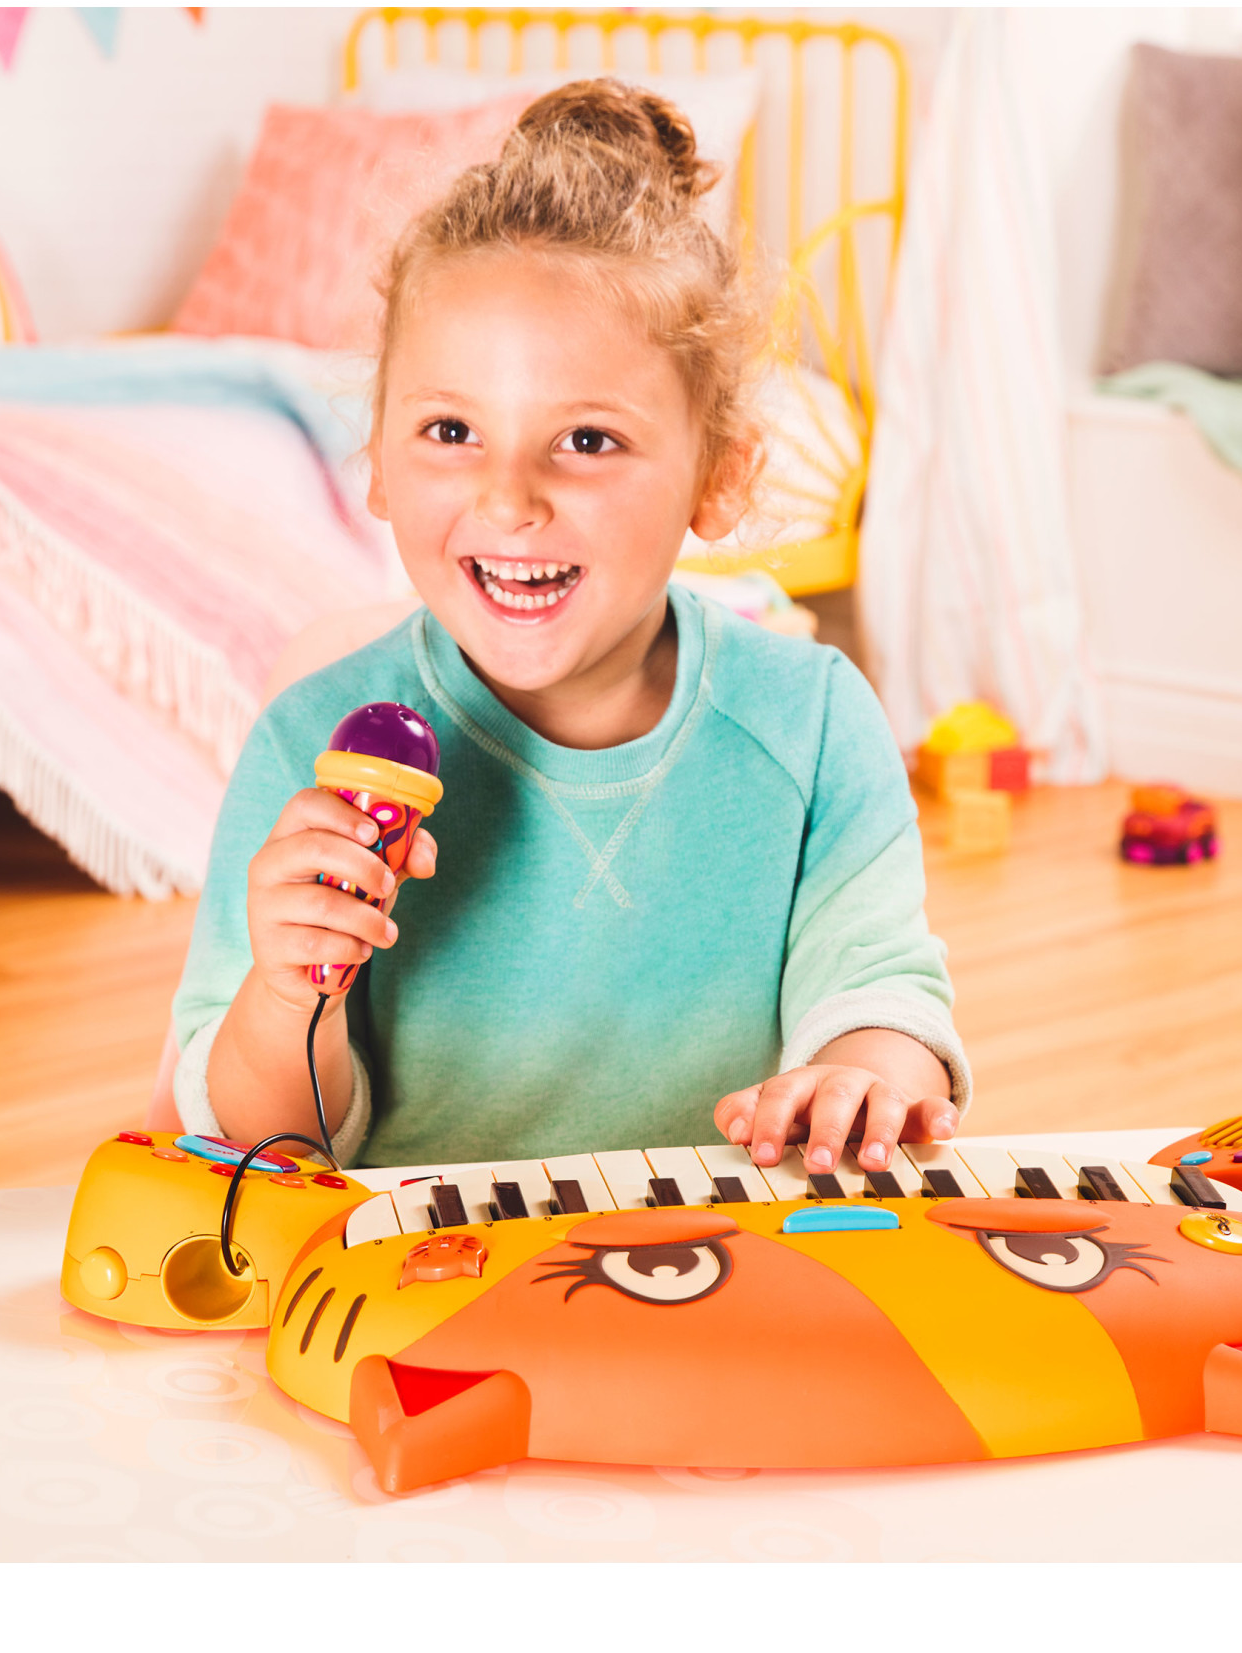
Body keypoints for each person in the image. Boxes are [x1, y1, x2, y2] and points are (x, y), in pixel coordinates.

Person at [171, 80, 967, 1179]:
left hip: (714, 1253)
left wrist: (859, 1078)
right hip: (418, 1262)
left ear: (719, 476)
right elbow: (268, 1145)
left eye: (587, 441)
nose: (508, 499)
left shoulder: (813, 722)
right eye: (450, 430)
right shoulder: (305, 745)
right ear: (378, 460)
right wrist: (286, 992)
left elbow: (879, 992)